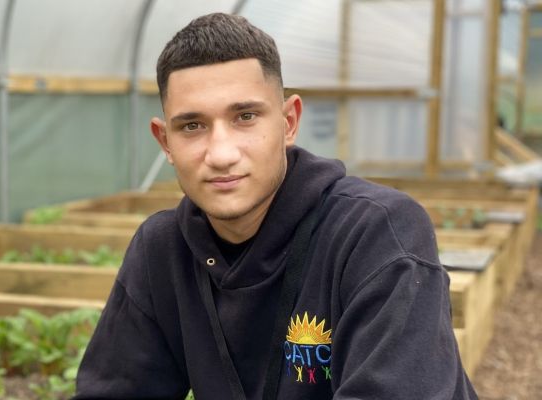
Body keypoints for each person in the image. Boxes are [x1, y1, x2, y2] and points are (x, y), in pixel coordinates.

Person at [74, 13, 477, 400]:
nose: (221, 153)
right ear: (165, 142)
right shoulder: (162, 250)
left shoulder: (375, 232)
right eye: (192, 126)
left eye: (245, 117)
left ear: (288, 122)